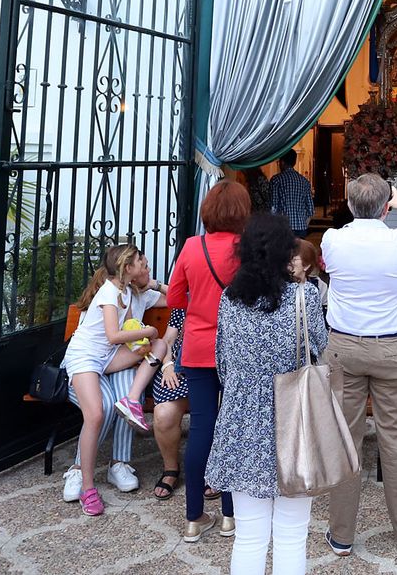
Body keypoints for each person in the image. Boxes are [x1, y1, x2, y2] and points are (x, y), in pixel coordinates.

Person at [208, 214, 329, 574]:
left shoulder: (230, 299)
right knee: (292, 534)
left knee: (249, 535)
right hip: (295, 421)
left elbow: (222, 364)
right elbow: (320, 347)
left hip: (242, 421)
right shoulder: (304, 296)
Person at [319, 174, 397, 556]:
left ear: (350, 205)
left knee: (346, 441)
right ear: (384, 208)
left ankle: (342, 535)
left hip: (345, 348)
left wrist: (388, 206)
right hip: (390, 349)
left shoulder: (333, 241)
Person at [163, 181, 249, 541]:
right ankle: (230, 514)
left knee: (202, 428)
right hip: (235, 348)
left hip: (197, 348)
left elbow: (174, 298)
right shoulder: (246, 249)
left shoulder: (191, 247)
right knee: (232, 428)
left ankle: (193, 517)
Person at [59, 242, 169, 514]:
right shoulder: (109, 292)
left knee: (159, 348)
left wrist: (145, 340)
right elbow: (114, 335)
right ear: (127, 268)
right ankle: (87, 487)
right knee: (96, 413)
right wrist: (150, 331)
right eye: (141, 262)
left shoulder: (128, 292)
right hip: (86, 357)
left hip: (108, 357)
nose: (146, 265)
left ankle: (131, 402)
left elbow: (130, 327)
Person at [148, 307, 191, 502]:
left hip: (212, 368)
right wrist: (167, 366)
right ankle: (171, 469)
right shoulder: (183, 304)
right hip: (178, 368)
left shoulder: (229, 296)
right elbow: (168, 340)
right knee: (164, 415)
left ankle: (211, 468)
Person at [270, 149, 315, 237]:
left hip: (283, 227)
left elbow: (273, 207)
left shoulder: (276, 180)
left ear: (282, 162)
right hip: (301, 228)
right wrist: (303, 223)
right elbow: (311, 209)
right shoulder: (304, 181)